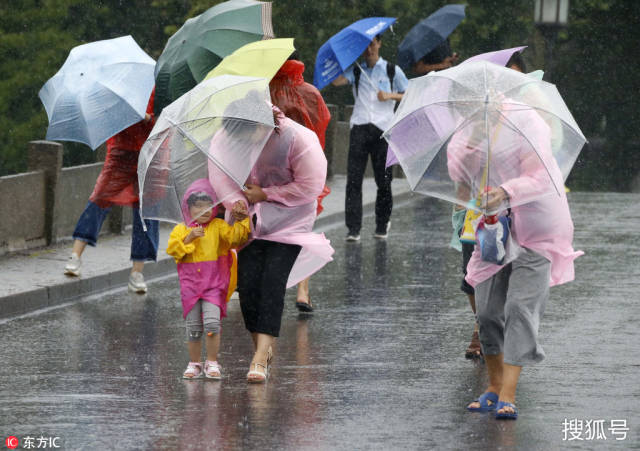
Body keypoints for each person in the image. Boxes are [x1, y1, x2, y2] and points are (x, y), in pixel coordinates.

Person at [447, 95, 583, 419]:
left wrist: (506, 190)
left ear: (496, 99)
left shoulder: (526, 121)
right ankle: (494, 385)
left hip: (538, 227)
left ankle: (508, 392)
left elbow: (540, 175)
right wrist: (476, 139)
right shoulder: (470, 129)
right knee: (488, 312)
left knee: (519, 307)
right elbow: (459, 173)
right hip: (495, 228)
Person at [209, 104, 333, 383]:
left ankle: (259, 357)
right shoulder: (228, 136)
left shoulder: (297, 139)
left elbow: (311, 185)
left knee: (272, 283)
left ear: (262, 126)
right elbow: (220, 177)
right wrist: (236, 204)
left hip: (290, 221)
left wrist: (266, 193)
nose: (241, 143)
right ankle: (262, 351)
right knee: (249, 287)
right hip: (250, 223)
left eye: (247, 136)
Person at [63, 89, 159, 293]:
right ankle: (75, 256)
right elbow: (105, 120)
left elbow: (165, 123)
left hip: (149, 156)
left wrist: (148, 118)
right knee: (99, 199)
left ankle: (137, 272)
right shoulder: (114, 91)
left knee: (145, 212)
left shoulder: (157, 90)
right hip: (121, 152)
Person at [166, 179, 250, 379]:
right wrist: (189, 238)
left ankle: (212, 362)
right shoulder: (182, 229)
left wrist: (242, 220)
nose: (203, 210)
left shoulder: (219, 226)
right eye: (197, 206)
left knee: (212, 324)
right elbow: (173, 250)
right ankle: (194, 363)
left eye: (208, 205)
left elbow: (235, 239)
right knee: (193, 327)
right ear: (188, 207)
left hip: (214, 285)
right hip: (191, 287)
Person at [269, 53, 332, 312]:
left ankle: (271, 288)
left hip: (273, 171)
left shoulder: (266, 92)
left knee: (271, 232)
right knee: (303, 230)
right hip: (305, 169)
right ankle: (303, 292)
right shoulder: (310, 93)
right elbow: (321, 130)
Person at [331, 33, 409, 242]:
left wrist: (390, 95)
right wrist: (344, 58)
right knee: (353, 180)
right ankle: (353, 228)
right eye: (365, 46)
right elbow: (337, 81)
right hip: (360, 126)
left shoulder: (392, 70)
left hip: (383, 130)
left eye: (372, 44)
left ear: (379, 44)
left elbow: (410, 93)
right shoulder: (357, 70)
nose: (369, 50)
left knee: (383, 181)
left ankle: (382, 223)